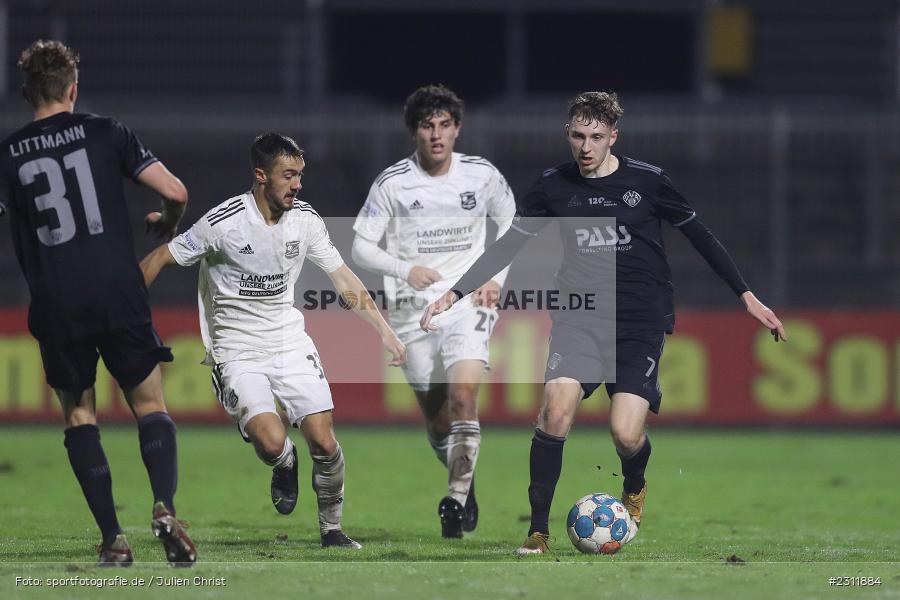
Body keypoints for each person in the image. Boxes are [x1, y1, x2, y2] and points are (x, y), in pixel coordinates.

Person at [420, 91, 788, 555]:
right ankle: (537, 532)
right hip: (579, 318)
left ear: (613, 136)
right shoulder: (553, 186)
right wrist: (454, 292)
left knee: (625, 432)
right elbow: (506, 246)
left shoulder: (648, 182)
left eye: (596, 137)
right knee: (554, 411)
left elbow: (701, 237)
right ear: (567, 135)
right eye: (578, 136)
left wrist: (746, 295)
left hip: (639, 323)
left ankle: (634, 484)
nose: (586, 146)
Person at [140, 132, 406, 549]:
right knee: (270, 441)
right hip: (235, 350)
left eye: (300, 174)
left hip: (288, 341)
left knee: (324, 439)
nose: (297, 184)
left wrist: (385, 332)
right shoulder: (223, 223)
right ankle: (284, 462)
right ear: (261, 175)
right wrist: (129, 318)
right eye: (289, 175)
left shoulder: (306, 221)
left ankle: (332, 530)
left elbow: (344, 280)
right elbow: (159, 258)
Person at [0, 40, 196, 566]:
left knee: (80, 415)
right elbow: (175, 192)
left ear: (26, 94)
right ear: (73, 89)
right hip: (118, 290)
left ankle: (113, 538)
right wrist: (167, 226)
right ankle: (164, 508)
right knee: (150, 406)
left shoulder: (8, 154)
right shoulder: (106, 131)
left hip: (56, 300)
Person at [351, 84, 515, 538]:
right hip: (409, 309)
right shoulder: (393, 183)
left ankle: (455, 499)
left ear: (458, 129)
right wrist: (405, 268)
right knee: (439, 417)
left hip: (466, 301)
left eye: (445, 125)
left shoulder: (481, 175)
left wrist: (495, 280)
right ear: (414, 132)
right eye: (427, 126)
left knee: (464, 398)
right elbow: (360, 245)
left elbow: (512, 226)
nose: (436, 135)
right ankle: (466, 476)